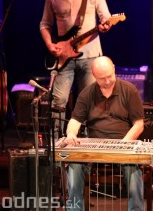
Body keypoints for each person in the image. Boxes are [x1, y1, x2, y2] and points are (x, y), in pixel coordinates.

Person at [59, 56, 145, 211]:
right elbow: (74, 121)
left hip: (123, 144)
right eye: (102, 78)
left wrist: (124, 144)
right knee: (74, 165)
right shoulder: (87, 94)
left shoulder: (129, 90)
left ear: (113, 68)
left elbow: (139, 124)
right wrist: (71, 133)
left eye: (109, 76)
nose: (107, 81)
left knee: (133, 168)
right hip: (94, 147)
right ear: (93, 75)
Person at [40, 0, 112, 136]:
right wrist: (50, 44)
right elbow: (45, 24)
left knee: (89, 103)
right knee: (58, 102)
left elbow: (106, 17)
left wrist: (106, 25)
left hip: (90, 58)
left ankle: (88, 147)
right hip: (64, 58)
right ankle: (56, 147)